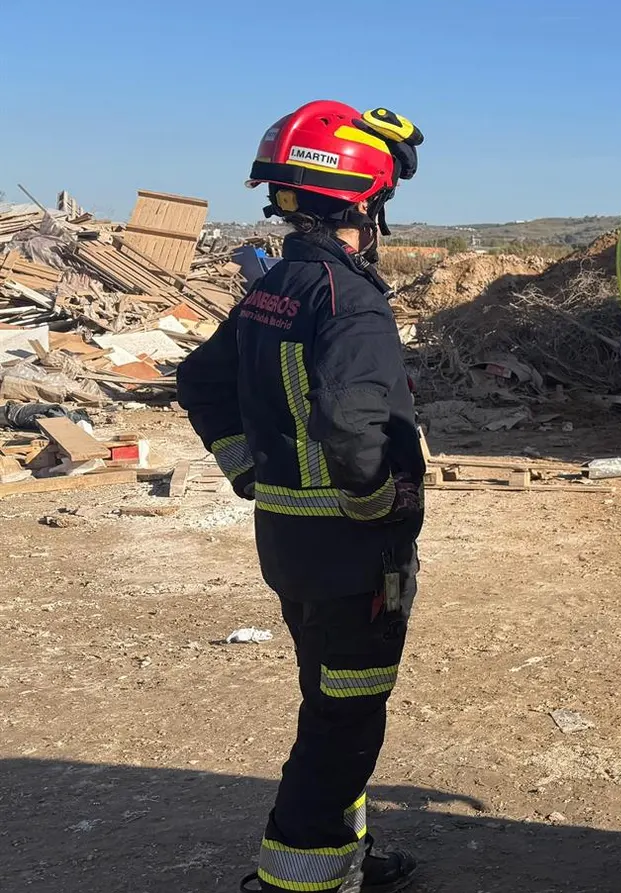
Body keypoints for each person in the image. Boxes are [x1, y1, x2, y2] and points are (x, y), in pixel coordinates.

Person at [177, 101, 429, 893]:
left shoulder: (274, 287)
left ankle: (343, 857)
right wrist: (375, 500)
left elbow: (199, 379)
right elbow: (354, 426)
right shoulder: (349, 298)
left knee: (330, 701)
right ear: (364, 200)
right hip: (351, 557)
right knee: (345, 723)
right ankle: (297, 878)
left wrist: (248, 470)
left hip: (289, 546)